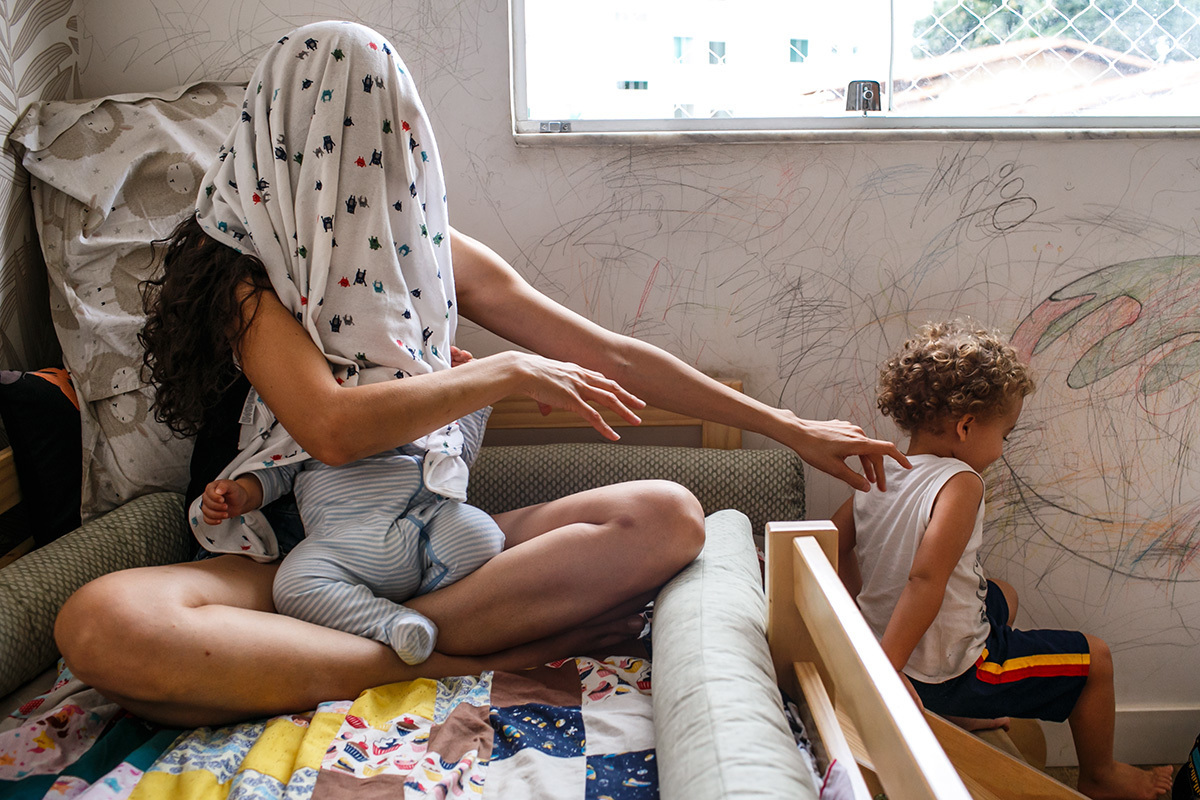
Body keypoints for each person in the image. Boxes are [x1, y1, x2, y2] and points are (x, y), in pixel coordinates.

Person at [52, 20, 909, 729]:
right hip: (288, 560)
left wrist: (787, 427)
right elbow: (332, 428)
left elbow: (608, 354)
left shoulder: (429, 249)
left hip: (428, 533)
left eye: (383, 137)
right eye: (342, 143)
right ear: (285, 148)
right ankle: (458, 658)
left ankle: (329, 656)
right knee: (101, 626)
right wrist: (497, 377)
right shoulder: (244, 275)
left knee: (670, 516)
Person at [832, 320, 1173, 800]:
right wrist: (887, 671)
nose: (1003, 448)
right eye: (1005, 434)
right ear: (967, 426)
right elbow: (926, 579)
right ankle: (1100, 775)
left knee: (1003, 594)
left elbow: (832, 542)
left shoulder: (878, 472)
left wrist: (862, 619)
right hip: (944, 669)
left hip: (888, 642)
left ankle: (952, 699)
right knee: (1097, 659)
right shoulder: (960, 482)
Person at [200, 347, 500, 665]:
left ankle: (422, 603)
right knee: (291, 586)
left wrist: (465, 385)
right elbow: (276, 472)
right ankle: (394, 623)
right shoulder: (311, 422)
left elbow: (453, 456)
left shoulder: (413, 408)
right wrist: (242, 493)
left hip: (417, 528)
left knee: (481, 533)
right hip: (339, 544)